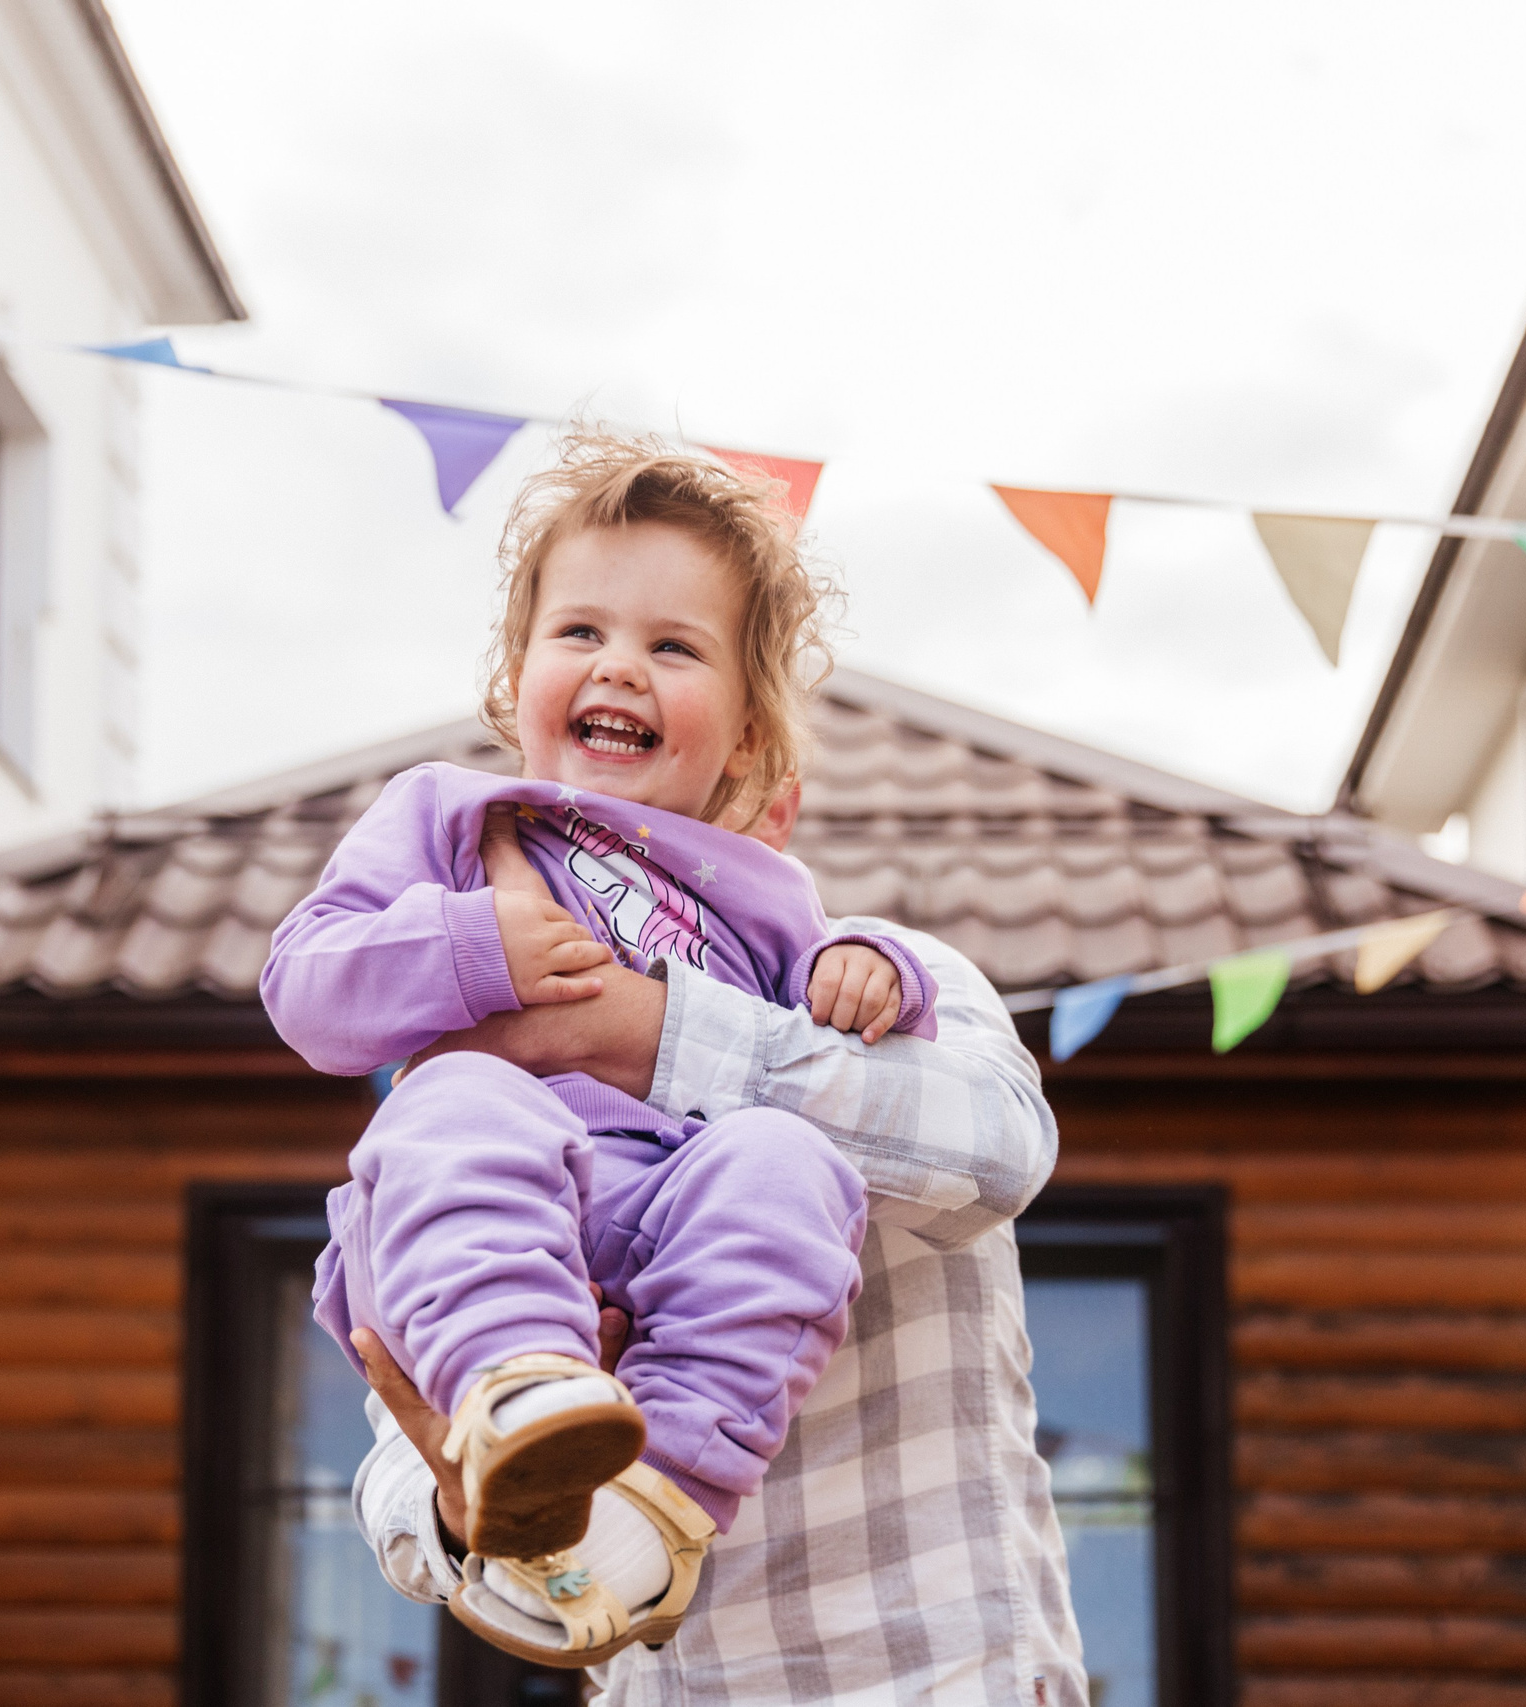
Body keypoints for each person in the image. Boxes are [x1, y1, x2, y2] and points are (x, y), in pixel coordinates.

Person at [261, 432, 950, 1667]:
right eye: (579, 634)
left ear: (745, 739)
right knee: (465, 1090)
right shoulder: (449, 821)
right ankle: (517, 1389)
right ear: (513, 680)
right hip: (481, 1217)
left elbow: (845, 1042)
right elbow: (307, 991)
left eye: (671, 647)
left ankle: (654, 1508)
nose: (618, 666)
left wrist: (874, 972)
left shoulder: (768, 894)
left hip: (671, 1230)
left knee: (791, 1165)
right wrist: (473, 947)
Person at [349, 783, 1091, 1705]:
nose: (612, 859)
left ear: (770, 810)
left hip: (932, 1676)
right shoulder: (474, 1058)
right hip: (666, 1684)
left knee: (771, 1160)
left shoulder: (880, 980)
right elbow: (393, 1424)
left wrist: (625, 1025)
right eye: (567, 819)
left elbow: (997, 1153)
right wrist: (453, 1512)